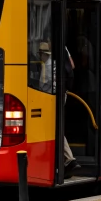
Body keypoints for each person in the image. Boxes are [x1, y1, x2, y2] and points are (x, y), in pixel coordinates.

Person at [37, 42, 81, 179]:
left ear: (43, 54)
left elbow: (42, 87)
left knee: (54, 128)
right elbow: (72, 65)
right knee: (55, 127)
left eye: (40, 54)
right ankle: (63, 160)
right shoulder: (62, 51)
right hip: (63, 94)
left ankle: (69, 159)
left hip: (51, 99)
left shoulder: (47, 66)